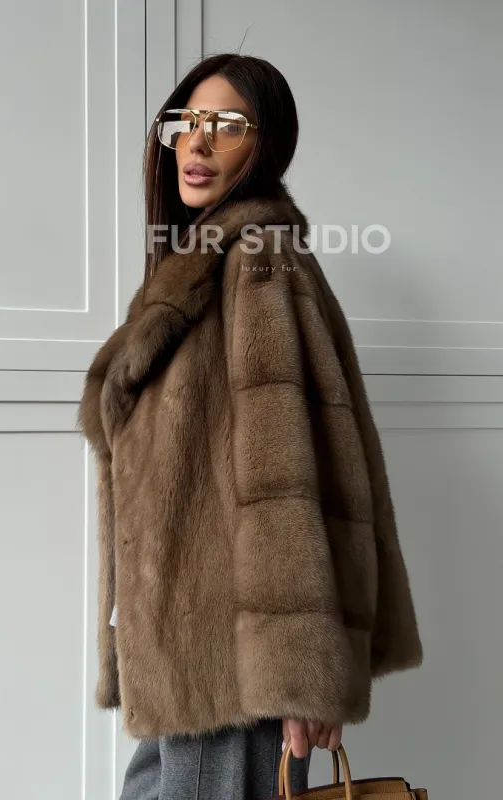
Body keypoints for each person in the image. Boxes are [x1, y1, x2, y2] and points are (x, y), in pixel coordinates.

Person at [78, 53, 423, 800]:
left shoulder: (257, 262)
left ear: (265, 146)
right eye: (187, 122)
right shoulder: (200, 264)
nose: (198, 142)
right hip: (182, 660)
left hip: (235, 672)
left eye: (227, 125)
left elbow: (285, 473)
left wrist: (300, 674)